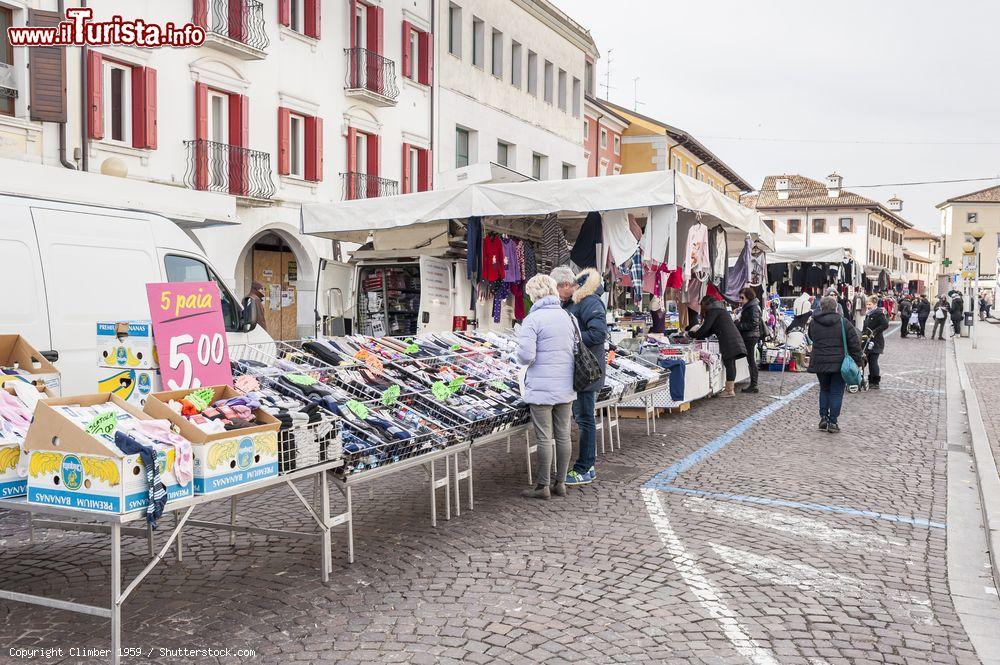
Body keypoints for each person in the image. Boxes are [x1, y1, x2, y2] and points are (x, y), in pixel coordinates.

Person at [515, 275, 577, 500]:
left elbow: (525, 355)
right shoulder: (568, 317)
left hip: (541, 387)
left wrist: (517, 355)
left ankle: (542, 486)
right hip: (566, 384)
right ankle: (560, 483)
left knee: (544, 437)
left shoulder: (533, 319)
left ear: (534, 295)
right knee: (563, 435)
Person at [560, 267, 607, 487]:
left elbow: (598, 334)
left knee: (586, 419)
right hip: (578, 371)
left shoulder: (590, 302)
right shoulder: (577, 302)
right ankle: (584, 466)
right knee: (583, 418)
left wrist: (571, 339)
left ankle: (585, 467)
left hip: (586, 372)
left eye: (572, 284)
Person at [807, 296, 863, 433]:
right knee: (837, 392)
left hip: (820, 362)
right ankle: (833, 422)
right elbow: (854, 344)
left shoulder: (814, 323)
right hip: (839, 363)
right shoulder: (844, 323)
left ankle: (823, 418)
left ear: (821, 307)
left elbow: (811, 337)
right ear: (836, 307)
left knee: (824, 389)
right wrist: (858, 362)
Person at [691, 295, 747, 397]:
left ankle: (729, 391)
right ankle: (730, 389)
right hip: (733, 338)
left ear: (706, 304)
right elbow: (710, 329)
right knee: (731, 364)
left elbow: (706, 328)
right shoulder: (720, 310)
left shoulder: (713, 311)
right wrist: (698, 333)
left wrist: (692, 334)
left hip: (728, 340)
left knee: (729, 364)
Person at [734, 287, 762, 394]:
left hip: (750, 336)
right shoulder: (750, 306)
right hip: (750, 335)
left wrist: (739, 325)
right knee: (750, 360)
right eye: (740, 297)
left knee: (751, 360)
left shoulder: (752, 307)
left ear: (748, 297)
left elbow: (753, 323)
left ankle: (754, 385)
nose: (740, 300)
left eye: (742, 298)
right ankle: (753, 384)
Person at [862, 296, 889, 389]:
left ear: (875, 304)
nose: (868, 306)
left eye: (869, 304)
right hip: (868, 341)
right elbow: (866, 326)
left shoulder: (878, 313)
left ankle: (875, 382)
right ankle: (871, 381)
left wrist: (875, 331)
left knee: (873, 361)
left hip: (876, 342)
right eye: (867, 304)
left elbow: (885, 325)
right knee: (868, 361)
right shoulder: (869, 313)